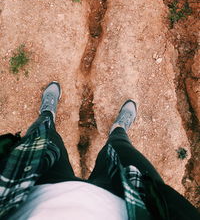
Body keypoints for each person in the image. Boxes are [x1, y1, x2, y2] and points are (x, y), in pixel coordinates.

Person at [0, 82, 199, 220]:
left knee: (44, 136)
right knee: (120, 148)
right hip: (128, 202)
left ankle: (47, 114)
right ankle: (119, 130)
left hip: (31, 190)